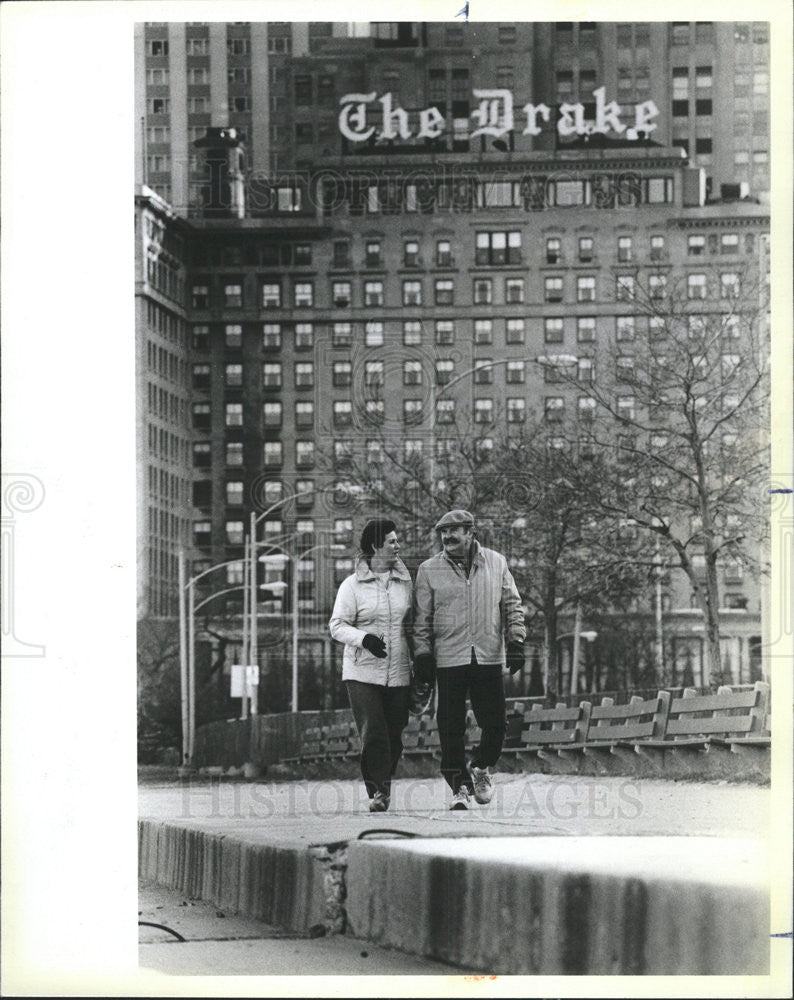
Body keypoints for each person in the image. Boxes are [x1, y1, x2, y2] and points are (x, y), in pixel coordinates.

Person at [413, 509, 526, 810]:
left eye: (454, 531)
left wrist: (516, 640)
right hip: (448, 658)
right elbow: (421, 620)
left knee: (497, 723)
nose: (447, 537)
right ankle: (459, 787)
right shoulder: (428, 570)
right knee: (450, 727)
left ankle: (481, 767)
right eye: (443, 532)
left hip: (488, 655)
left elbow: (513, 604)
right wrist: (422, 654)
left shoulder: (497, 562)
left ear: (471, 532)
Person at [329, 518, 413, 813]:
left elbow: (413, 625)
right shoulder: (352, 586)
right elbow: (337, 626)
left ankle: (382, 780)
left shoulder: (406, 583)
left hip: (399, 670)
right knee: (374, 731)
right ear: (376, 547)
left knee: (394, 734)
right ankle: (379, 791)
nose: (397, 545)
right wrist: (364, 639)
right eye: (391, 541)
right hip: (362, 671)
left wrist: (423, 663)